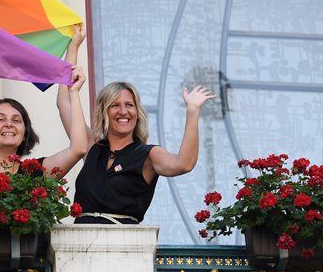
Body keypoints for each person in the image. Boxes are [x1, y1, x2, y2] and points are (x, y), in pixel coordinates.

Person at [0, 24, 89, 176]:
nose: (9, 124)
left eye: (16, 120)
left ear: (26, 132)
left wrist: (73, 88)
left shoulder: (37, 172)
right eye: (0, 119)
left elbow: (78, 149)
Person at [72, 80, 216, 224]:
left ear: (137, 112)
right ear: (104, 112)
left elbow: (184, 164)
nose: (123, 111)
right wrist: (73, 79)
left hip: (124, 241)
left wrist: (193, 110)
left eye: (129, 105)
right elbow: (65, 103)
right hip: (81, 240)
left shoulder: (148, 155)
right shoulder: (92, 147)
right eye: (115, 105)